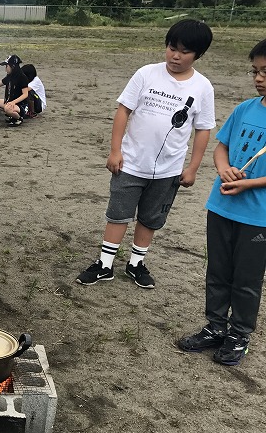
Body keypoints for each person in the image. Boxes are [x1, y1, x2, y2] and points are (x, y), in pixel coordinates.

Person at [76, 19, 216, 289]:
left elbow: (203, 130)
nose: (175, 55)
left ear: (198, 55)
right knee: (118, 213)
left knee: (151, 217)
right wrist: (115, 150)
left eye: (184, 51)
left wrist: (193, 167)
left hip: (169, 169)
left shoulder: (202, 87)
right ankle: (105, 264)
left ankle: (136, 263)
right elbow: (123, 110)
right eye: (171, 47)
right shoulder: (146, 74)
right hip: (130, 162)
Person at [176, 39, 266, 366]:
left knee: (246, 278)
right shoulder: (245, 109)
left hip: (258, 217)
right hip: (222, 206)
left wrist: (250, 183)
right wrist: (223, 169)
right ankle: (215, 327)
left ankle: (239, 334)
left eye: (265, 72)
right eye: (255, 71)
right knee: (217, 271)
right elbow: (221, 147)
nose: (258, 78)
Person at [0, 55, 30, 126]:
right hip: (12, 102)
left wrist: (13, 102)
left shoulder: (22, 77)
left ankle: (19, 118)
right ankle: (12, 116)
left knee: (7, 109)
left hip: (21, 105)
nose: (5, 69)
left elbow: (25, 94)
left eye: (7, 66)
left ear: (13, 66)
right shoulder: (10, 76)